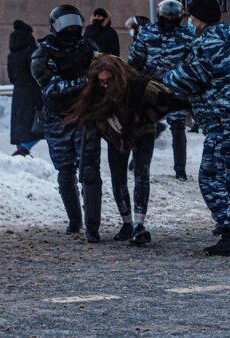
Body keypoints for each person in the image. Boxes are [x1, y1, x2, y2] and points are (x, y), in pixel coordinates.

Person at [163, 0, 230, 257]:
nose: (190, 22)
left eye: (192, 17)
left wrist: (161, 78)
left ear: (201, 17)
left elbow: (189, 76)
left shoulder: (208, 43)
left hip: (222, 117)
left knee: (209, 177)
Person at [65, 55, 187, 245]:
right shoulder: (95, 93)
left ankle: (139, 224)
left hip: (143, 130)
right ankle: (127, 223)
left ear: (118, 77)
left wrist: (151, 114)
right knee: (118, 176)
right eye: (101, 82)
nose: (105, 85)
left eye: (108, 81)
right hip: (115, 135)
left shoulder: (139, 85)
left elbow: (169, 98)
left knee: (141, 173)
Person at [31, 4, 102, 243]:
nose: (71, 29)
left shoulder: (88, 47)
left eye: (75, 24)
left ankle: (93, 227)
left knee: (90, 171)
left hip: (86, 117)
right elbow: (53, 89)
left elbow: (104, 71)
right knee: (65, 171)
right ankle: (75, 221)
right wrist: (87, 82)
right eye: (67, 24)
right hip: (58, 120)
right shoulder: (43, 53)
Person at [129, 0, 194, 181]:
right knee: (144, 125)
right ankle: (137, 161)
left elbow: (192, 61)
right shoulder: (148, 33)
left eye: (174, 16)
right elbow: (135, 58)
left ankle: (180, 169)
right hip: (151, 86)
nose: (170, 18)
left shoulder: (186, 36)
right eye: (167, 15)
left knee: (178, 127)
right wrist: (137, 81)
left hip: (176, 88)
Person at [7, 20, 43, 156]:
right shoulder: (32, 53)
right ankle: (24, 149)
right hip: (32, 91)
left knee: (20, 125)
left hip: (18, 92)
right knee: (37, 124)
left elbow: (11, 77)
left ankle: (22, 150)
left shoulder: (12, 55)